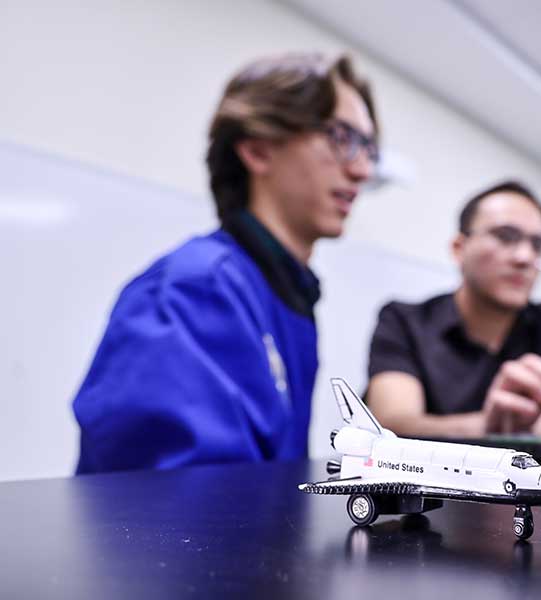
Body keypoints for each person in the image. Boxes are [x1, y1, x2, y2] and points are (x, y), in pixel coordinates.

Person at [73, 52, 378, 473]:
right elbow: (175, 523)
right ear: (258, 149)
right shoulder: (193, 291)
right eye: (341, 138)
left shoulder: (287, 298)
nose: (362, 169)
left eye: (368, 147)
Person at [365, 181, 541, 437]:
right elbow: (393, 423)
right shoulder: (405, 321)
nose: (525, 257)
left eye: (537, 245)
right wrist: (490, 427)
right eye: (506, 237)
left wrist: (532, 429)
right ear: (460, 248)